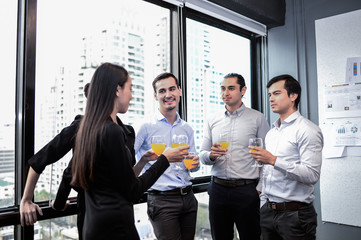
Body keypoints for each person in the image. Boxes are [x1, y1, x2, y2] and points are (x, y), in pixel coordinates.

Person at [70, 63, 189, 240]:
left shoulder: (89, 129)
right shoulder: (112, 131)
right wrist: (164, 159)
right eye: (130, 88)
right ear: (118, 90)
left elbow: (119, 181)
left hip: (94, 225)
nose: (131, 96)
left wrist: (141, 162)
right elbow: (132, 191)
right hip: (115, 227)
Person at [249, 74, 323, 240]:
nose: (271, 99)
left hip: (296, 215)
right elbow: (266, 171)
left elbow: (312, 175)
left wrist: (274, 160)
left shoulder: (308, 130)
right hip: (268, 212)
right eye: (269, 95)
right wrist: (263, 202)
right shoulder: (271, 133)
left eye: (276, 93)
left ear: (293, 96)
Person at [199, 73, 270, 240]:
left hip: (247, 191)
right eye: (223, 88)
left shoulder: (257, 118)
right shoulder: (212, 120)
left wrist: (260, 188)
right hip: (218, 190)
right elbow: (202, 155)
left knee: (250, 237)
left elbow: (266, 157)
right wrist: (211, 155)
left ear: (243, 90)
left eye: (231, 88)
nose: (226, 92)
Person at [134, 72, 200, 240]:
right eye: (162, 91)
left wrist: (196, 163)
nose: (168, 94)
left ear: (179, 91)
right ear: (156, 96)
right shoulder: (145, 126)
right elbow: (128, 159)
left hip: (188, 197)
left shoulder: (187, 128)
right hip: (162, 201)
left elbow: (191, 164)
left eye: (172, 89)